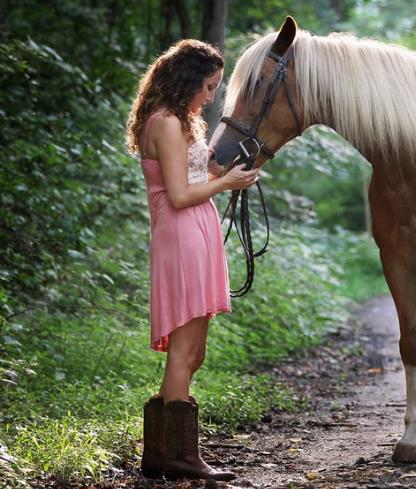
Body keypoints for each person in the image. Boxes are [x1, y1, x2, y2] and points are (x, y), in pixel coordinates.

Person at [126, 39, 258, 481]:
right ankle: (177, 455)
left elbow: (193, 176)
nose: (210, 96)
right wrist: (225, 185)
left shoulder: (184, 122)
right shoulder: (163, 122)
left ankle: (163, 451)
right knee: (183, 352)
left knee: (194, 351)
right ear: (186, 81)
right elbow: (179, 195)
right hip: (181, 235)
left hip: (196, 233)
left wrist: (228, 175)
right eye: (206, 86)